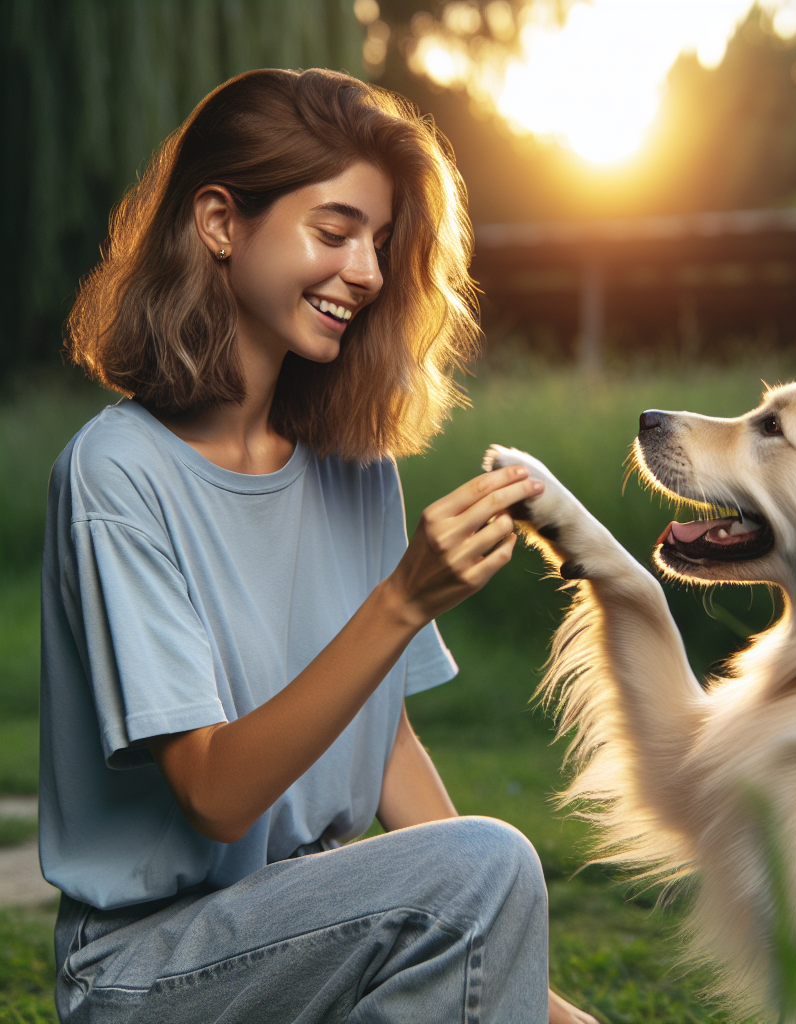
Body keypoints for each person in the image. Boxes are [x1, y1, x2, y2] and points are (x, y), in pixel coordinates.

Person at [40, 68, 596, 1024]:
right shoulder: (116, 475)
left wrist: (532, 996)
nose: (369, 273)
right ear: (220, 223)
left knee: (489, 873)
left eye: (379, 244)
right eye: (334, 232)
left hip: (319, 921)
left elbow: (383, 747)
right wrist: (402, 600)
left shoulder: (353, 465)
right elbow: (213, 795)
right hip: (146, 967)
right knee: (491, 858)